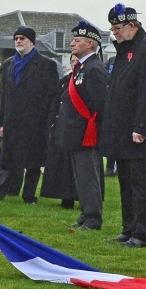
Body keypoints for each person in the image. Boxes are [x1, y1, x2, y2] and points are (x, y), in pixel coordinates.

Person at [98, 4, 146, 247]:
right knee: (125, 181)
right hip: (121, 131)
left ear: (132, 26)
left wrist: (141, 127)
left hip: (138, 132)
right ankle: (128, 229)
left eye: (118, 28)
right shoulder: (123, 52)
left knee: (139, 183)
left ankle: (141, 233)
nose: (115, 33)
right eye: (113, 28)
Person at [0, 27, 56, 204]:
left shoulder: (46, 65)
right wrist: (2, 121)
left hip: (35, 120)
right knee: (6, 159)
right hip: (12, 119)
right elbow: (5, 96)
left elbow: (52, 95)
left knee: (33, 160)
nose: (18, 41)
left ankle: (29, 195)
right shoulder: (9, 64)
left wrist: (44, 117)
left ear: (32, 42)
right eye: (16, 38)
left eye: (22, 38)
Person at [58, 22, 109, 230]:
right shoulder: (83, 68)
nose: (72, 44)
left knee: (89, 176)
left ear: (90, 44)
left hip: (86, 132)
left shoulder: (94, 68)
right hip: (76, 132)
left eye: (77, 41)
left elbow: (101, 103)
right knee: (81, 176)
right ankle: (85, 212)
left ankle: (93, 217)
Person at [40, 54, 79, 210]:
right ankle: (65, 197)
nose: (75, 63)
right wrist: (52, 122)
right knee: (62, 166)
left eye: (77, 61)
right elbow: (54, 102)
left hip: (78, 127)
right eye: (73, 61)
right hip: (61, 127)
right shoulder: (63, 82)